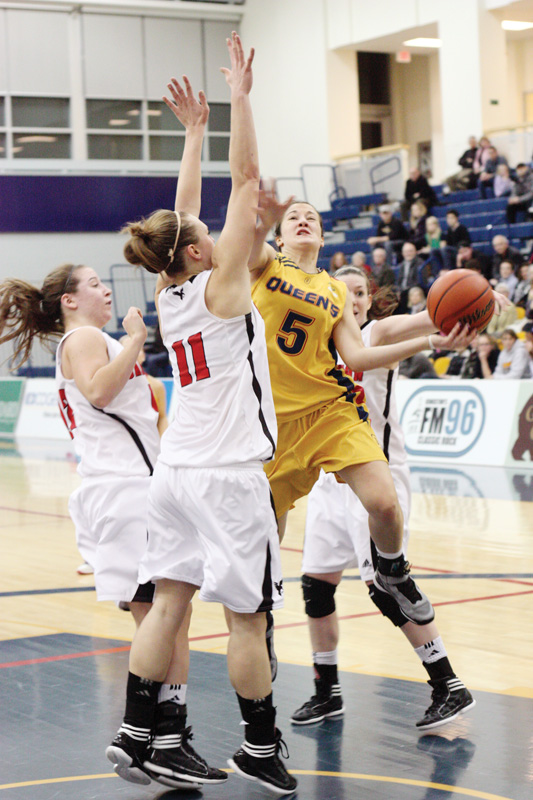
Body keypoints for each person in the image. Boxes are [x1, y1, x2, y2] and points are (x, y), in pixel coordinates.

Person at [106, 34, 297, 796]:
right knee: (247, 620)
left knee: (170, 601)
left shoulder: (171, 293)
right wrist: (241, 101)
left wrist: (192, 134)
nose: (218, 235)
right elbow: (245, 177)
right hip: (223, 477)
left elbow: (185, 214)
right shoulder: (220, 290)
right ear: (191, 255)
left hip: (173, 475)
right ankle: (259, 747)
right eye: (205, 239)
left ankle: (133, 730)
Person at [0, 266, 201, 791]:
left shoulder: (94, 338)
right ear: (70, 299)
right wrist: (137, 340)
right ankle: (158, 737)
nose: (105, 288)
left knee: (164, 619)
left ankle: (163, 739)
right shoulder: (88, 337)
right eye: (94, 283)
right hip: (124, 491)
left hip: (126, 490)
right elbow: (98, 392)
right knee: (167, 616)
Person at [291, 266, 475, 730]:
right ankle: (326, 692)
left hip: (377, 478)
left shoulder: (378, 331)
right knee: (316, 586)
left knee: (384, 588)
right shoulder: (316, 344)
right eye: (343, 291)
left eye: (359, 293)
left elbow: (432, 319)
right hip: (332, 482)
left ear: (370, 301)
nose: (352, 299)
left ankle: (448, 684)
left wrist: (462, 315)